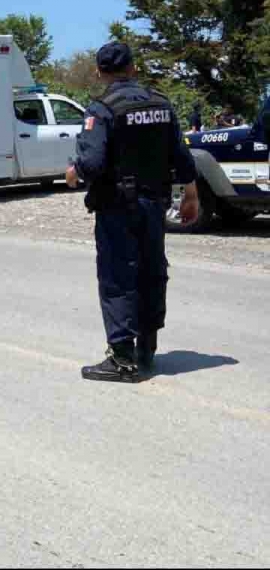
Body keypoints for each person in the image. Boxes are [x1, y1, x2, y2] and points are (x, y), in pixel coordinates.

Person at [64, 42, 200, 383]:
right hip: (155, 205)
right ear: (134, 68)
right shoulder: (162, 104)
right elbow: (182, 157)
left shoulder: (103, 109)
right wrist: (191, 193)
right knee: (152, 270)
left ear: (100, 73)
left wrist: (73, 171)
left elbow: (92, 163)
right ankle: (147, 349)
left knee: (118, 275)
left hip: (117, 207)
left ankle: (122, 359)